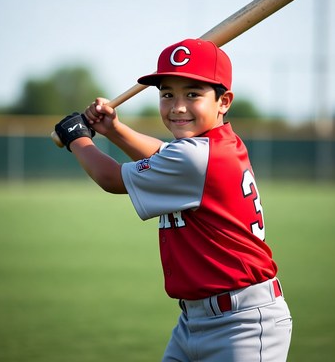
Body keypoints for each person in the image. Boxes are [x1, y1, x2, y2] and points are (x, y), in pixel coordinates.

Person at [54, 38, 292, 361]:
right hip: (193, 321)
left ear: (224, 101)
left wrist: (76, 137)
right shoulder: (213, 147)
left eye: (193, 94)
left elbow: (111, 179)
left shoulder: (196, 159)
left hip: (243, 324)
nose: (177, 106)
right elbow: (162, 154)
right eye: (167, 94)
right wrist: (114, 130)